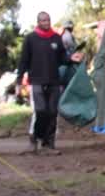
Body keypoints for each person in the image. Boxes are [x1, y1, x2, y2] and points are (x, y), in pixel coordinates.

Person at [16, 11, 68, 151]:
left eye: (48, 20)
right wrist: (19, 81)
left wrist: (72, 59)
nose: (46, 23)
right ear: (38, 22)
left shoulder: (56, 38)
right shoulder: (30, 39)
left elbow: (62, 58)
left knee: (52, 113)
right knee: (40, 111)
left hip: (54, 81)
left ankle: (48, 144)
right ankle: (35, 138)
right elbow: (23, 62)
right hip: (37, 81)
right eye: (43, 20)